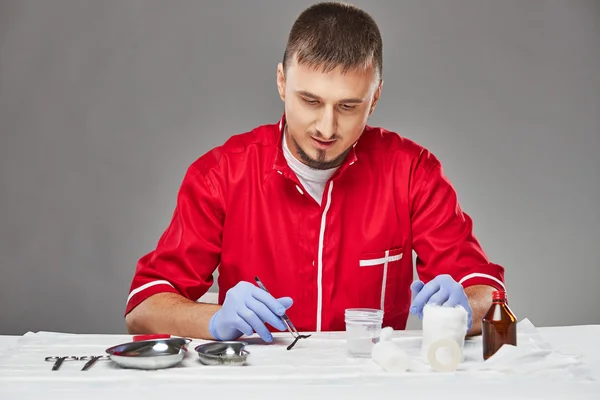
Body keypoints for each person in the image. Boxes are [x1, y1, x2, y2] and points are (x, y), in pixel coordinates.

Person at [125, 2, 506, 343]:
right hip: (257, 384)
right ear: (281, 82)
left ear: (374, 99)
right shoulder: (221, 174)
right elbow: (143, 308)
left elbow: (490, 297)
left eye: (348, 106)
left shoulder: (412, 172)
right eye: (310, 101)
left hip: (370, 384)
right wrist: (215, 319)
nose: (326, 127)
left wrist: (467, 308)